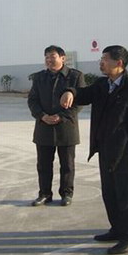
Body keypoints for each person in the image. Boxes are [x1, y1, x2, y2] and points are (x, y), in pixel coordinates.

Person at [60, 45, 128, 255]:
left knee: (125, 194)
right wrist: (70, 91)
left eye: (105, 59)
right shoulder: (103, 84)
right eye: (101, 59)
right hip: (104, 148)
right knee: (109, 192)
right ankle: (116, 229)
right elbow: (84, 94)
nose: (101, 63)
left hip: (124, 151)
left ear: (119, 63)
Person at [28, 45, 85, 207]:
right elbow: (32, 100)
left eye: (52, 56)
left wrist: (61, 116)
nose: (49, 60)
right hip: (43, 126)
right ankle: (44, 194)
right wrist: (42, 116)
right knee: (43, 165)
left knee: (67, 165)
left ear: (62, 58)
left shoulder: (75, 76)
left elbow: (80, 101)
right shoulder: (39, 77)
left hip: (66, 127)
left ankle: (66, 193)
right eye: (46, 57)